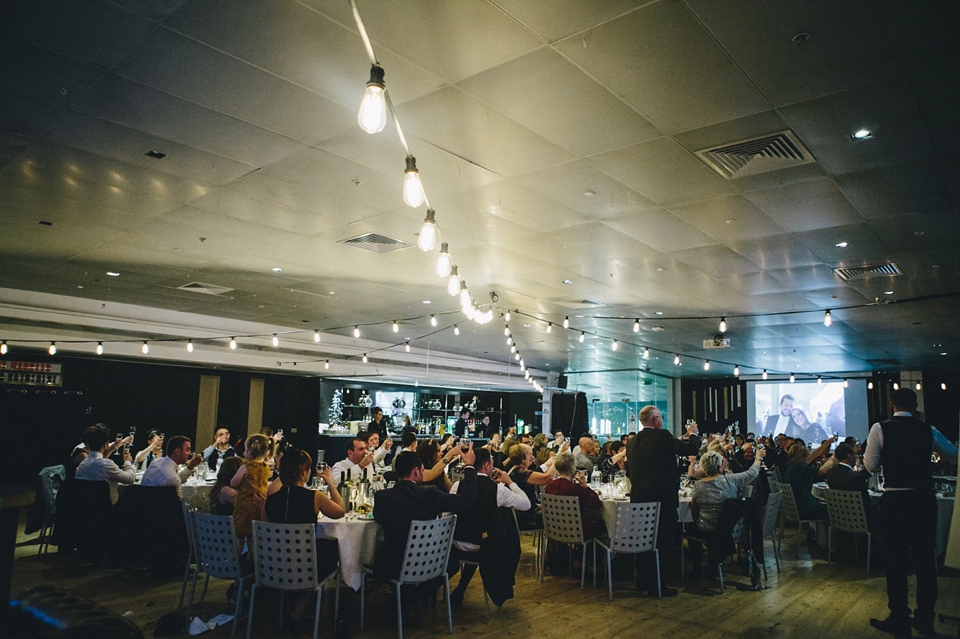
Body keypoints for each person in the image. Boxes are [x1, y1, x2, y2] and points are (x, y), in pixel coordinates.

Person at [373, 447, 478, 626]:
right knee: (451, 563)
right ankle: (413, 597)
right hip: (428, 562)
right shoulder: (430, 494)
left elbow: (378, 519)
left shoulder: (382, 497)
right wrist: (469, 468)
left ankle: (405, 596)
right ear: (416, 471)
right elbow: (467, 501)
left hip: (391, 564)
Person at [865, 389, 940, 637]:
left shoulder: (880, 428)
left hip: (896, 499)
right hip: (923, 499)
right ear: (915, 405)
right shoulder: (927, 429)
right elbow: (952, 453)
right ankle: (925, 618)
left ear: (891, 404)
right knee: (926, 561)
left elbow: (871, 465)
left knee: (895, 562)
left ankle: (899, 617)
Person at [265, 448, 345, 632]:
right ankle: (297, 613)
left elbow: (266, 532)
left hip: (273, 564)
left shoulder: (270, 500)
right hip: (303, 566)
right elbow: (340, 512)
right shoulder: (314, 496)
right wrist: (331, 484)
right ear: (305, 472)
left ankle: (293, 606)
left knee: (308, 553)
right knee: (330, 550)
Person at [627, 406, 700, 597]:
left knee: (643, 541)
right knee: (662, 542)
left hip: (639, 499)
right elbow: (691, 449)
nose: (661, 420)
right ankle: (657, 585)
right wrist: (693, 434)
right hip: (662, 499)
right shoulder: (662, 436)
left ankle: (642, 580)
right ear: (655, 419)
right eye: (660, 417)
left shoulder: (633, 442)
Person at [448, 448, 529, 607]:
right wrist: (509, 482)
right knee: (500, 521)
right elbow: (526, 504)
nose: (493, 467)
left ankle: (460, 589)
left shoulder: (457, 485)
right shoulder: (497, 490)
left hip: (456, 544)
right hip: (483, 547)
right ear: (486, 466)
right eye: (492, 464)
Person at [687, 447, 765, 578]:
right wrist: (758, 458)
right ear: (719, 466)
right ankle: (715, 564)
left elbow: (695, 510)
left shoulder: (699, 486)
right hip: (731, 530)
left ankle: (697, 569)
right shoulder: (731, 480)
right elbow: (752, 473)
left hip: (708, 529)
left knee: (691, 528)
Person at [546, 452, 605, 539]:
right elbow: (596, 504)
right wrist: (585, 486)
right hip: (577, 529)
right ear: (573, 468)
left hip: (555, 527)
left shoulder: (550, 485)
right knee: (602, 524)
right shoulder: (575, 488)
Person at [74, 425, 135, 504]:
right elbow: (130, 479)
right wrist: (127, 461)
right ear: (106, 444)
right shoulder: (106, 464)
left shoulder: (82, 465)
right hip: (107, 509)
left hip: (85, 507)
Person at [230, 434, 272, 545]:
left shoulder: (245, 467)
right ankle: (252, 557)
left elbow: (234, 483)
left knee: (240, 535)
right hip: (259, 504)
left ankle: (237, 557)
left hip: (246, 504)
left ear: (248, 451)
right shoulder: (266, 467)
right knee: (253, 536)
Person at [824, 442, 878, 529]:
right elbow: (867, 506)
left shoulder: (830, 473)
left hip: (839, 519)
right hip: (860, 521)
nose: (856, 457)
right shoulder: (857, 478)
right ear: (849, 456)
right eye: (855, 455)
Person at [783, 437, 835, 520]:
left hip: (795, 507)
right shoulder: (800, 468)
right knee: (833, 510)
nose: (809, 456)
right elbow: (822, 471)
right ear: (802, 456)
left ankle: (813, 533)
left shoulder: (791, 468)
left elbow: (813, 456)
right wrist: (833, 458)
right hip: (806, 508)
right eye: (807, 455)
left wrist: (827, 443)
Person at [507, 443, 557, 530]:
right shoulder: (521, 473)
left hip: (524, 512)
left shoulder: (515, 470)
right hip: (527, 517)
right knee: (558, 518)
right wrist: (557, 462)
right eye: (530, 454)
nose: (533, 457)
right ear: (523, 459)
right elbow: (547, 478)